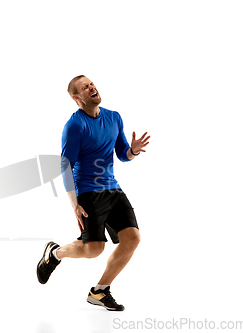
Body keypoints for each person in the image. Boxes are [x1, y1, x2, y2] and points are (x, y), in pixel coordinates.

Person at [36, 75, 150, 311]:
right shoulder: (75, 126)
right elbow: (65, 166)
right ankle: (54, 253)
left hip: (113, 188)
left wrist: (133, 151)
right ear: (77, 98)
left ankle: (99, 291)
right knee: (94, 249)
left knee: (133, 239)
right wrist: (74, 204)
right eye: (85, 87)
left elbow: (122, 154)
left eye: (92, 84)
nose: (91, 87)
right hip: (88, 191)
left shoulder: (113, 117)